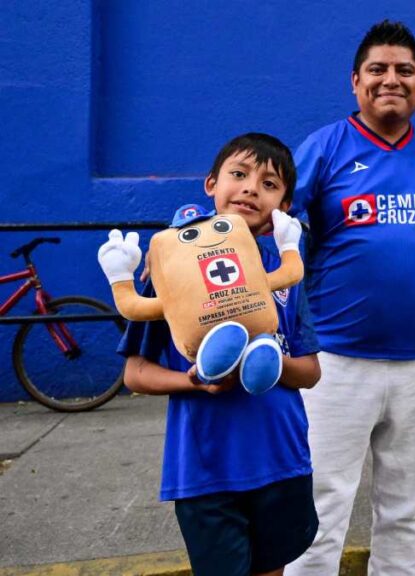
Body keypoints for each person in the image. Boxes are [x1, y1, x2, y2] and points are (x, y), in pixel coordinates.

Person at [284, 20, 415, 576]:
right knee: (318, 512)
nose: (391, 79)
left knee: (407, 514)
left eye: (404, 70)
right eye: (378, 70)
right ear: (355, 82)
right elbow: (269, 226)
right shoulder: (324, 147)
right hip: (335, 363)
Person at [114, 133, 322, 576]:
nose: (251, 188)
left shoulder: (285, 275)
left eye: (270, 184)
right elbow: (135, 372)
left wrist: (264, 364)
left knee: (273, 569)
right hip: (205, 469)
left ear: (284, 206)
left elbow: (310, 372)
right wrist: (194, 380)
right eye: (239, 175)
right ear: (211, 183)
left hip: (281, 459)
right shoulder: (171, 266)